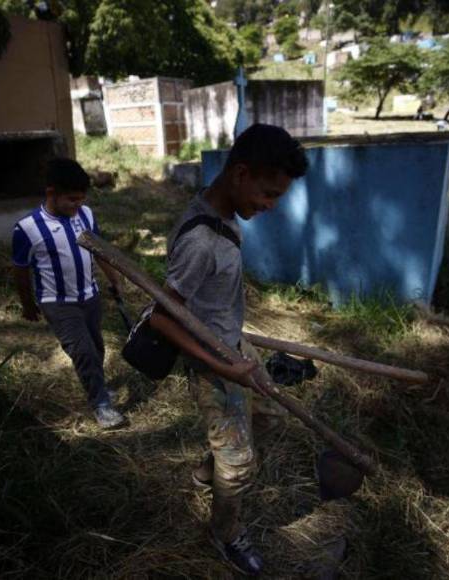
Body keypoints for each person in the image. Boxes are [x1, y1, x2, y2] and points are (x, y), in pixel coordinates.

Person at [149, 124, 309, 576]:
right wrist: (224, 369)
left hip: (234, 345)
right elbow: (161, 318)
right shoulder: (200, 241)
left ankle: (208, 471)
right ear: (241, 174)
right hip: (212, 362)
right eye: (268, 193)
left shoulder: (223, 214)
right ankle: (225, 533)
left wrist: (238, 346)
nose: (271, 205)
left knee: (270, 415)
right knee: (239, 465)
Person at [12, 157, 125, 429]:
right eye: (72, 199)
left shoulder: (85, 215)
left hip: (90, 296)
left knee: (96, 347)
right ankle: (101, 405)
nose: (78, 205)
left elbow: (99, 250)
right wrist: (28, 304)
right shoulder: (27, 228)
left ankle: (98, 386)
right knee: (83, 351)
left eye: (81, 199)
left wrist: (115, 279)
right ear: (52, 192)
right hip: (58, 303)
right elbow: (20, 271)